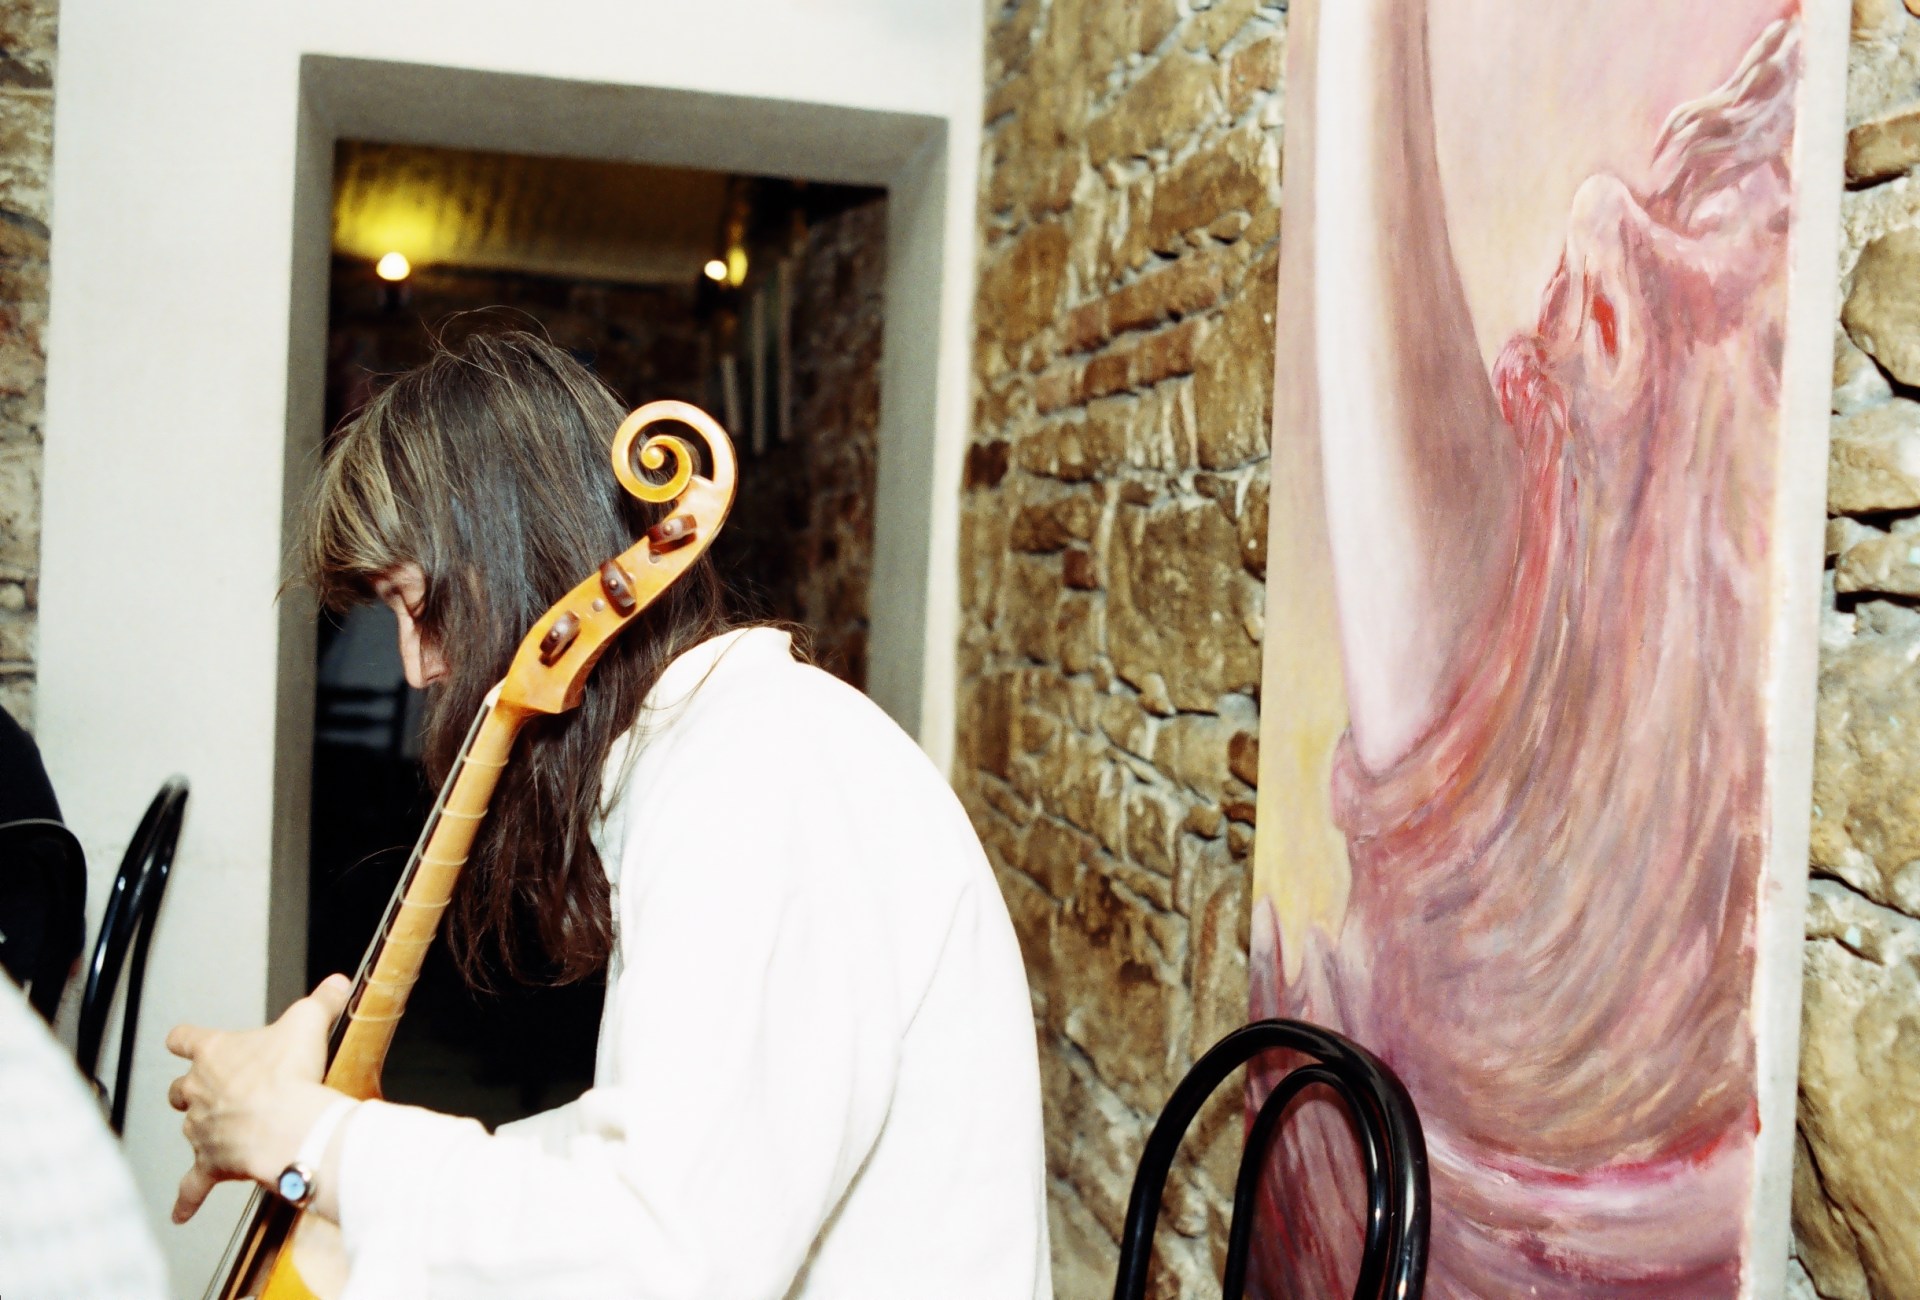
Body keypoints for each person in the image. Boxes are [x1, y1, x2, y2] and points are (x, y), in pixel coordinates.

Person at [164, 331, 1052, 1298]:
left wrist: (310, 1138)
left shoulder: (757, 768)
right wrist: (332, 1138)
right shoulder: (713, 752)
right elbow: (639, 1152)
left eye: (418, 602)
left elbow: (663, 1257)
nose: (417, 667)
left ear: (514, 561)